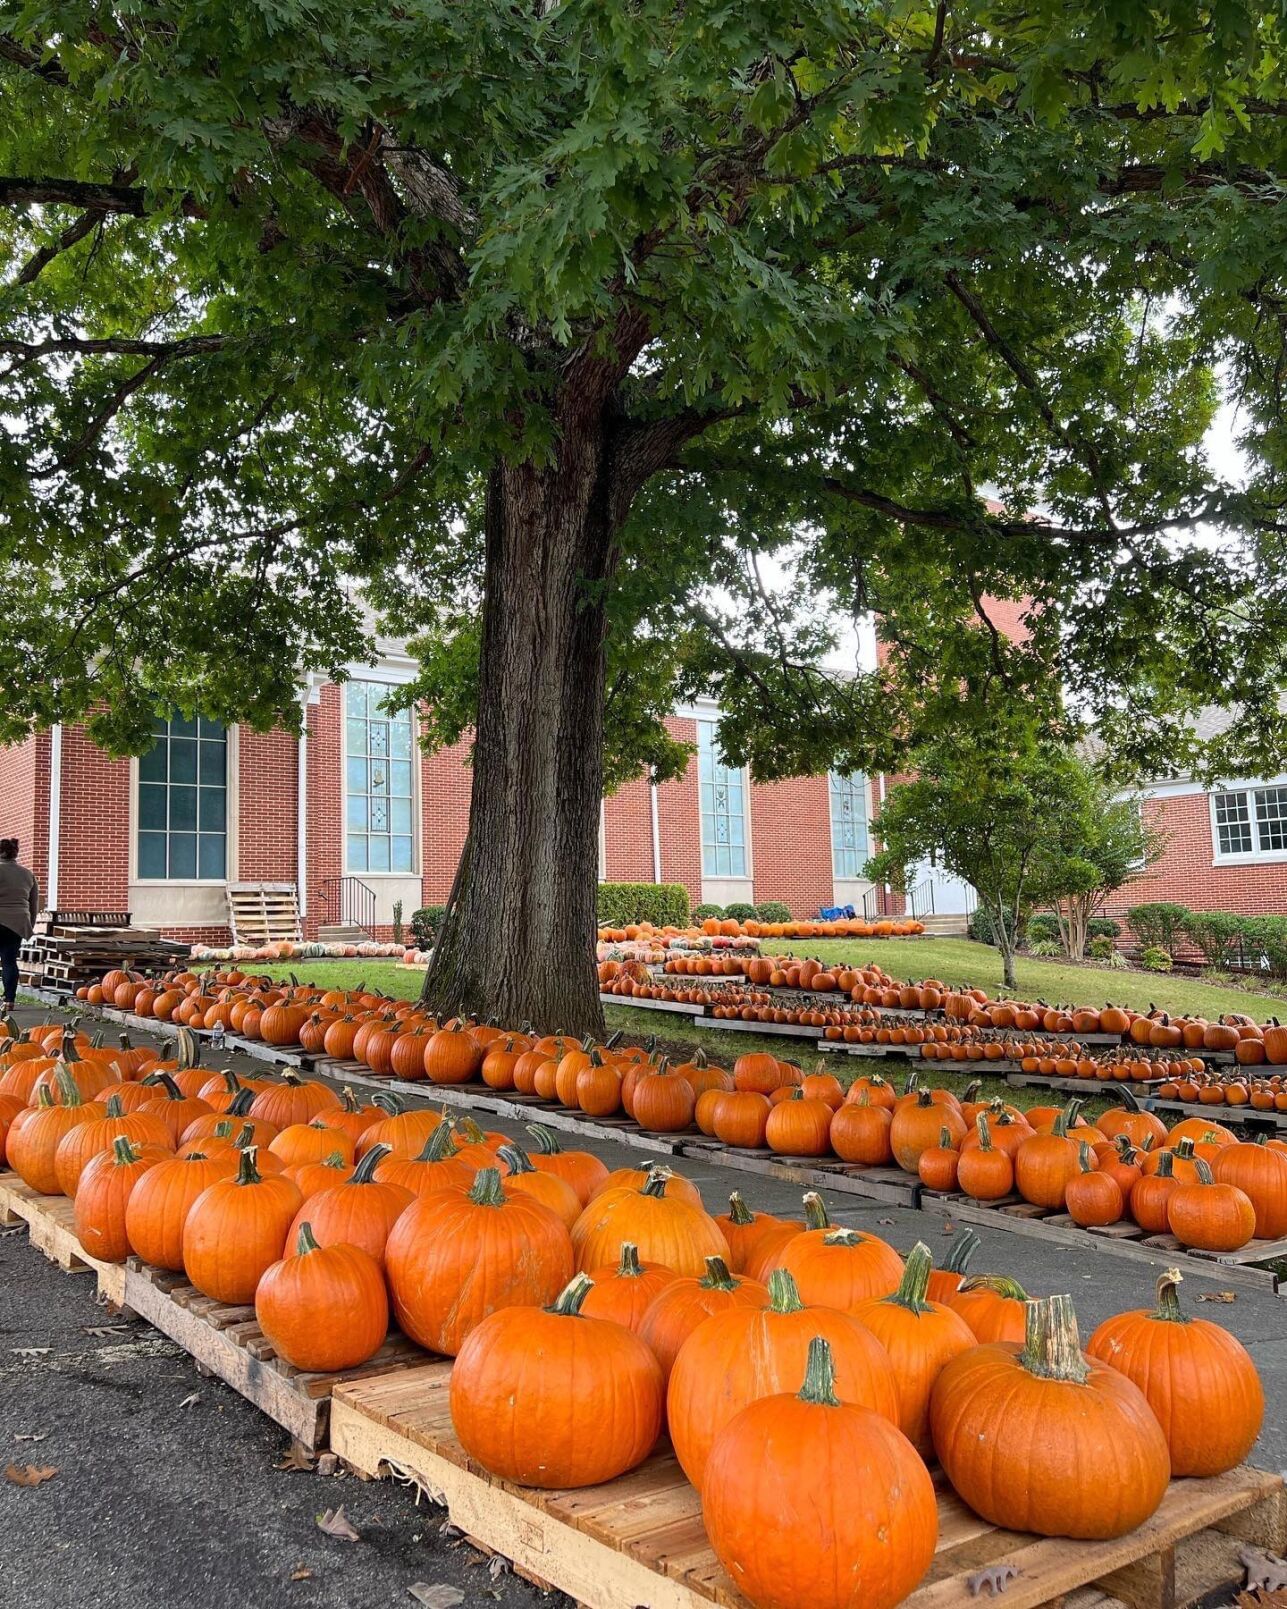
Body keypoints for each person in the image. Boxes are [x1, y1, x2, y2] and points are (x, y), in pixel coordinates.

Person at [0, 838, 39, 1013]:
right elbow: (33, 904)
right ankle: (9, 1001)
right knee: (9, 962)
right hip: (17, 922)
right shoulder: (28, 874)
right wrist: (29, 925)